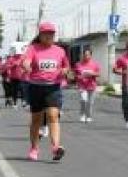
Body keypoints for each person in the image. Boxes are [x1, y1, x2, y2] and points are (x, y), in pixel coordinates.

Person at [22, 23, 69, 161]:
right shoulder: (33, 48)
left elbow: (66, 66)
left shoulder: (60, 51)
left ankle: (55, 148)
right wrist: (26, 66)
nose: (49, 36)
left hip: (53, 87)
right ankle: (34, 148)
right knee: (36, 119)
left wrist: (65, 71)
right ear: (40, 35)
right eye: (46, 33)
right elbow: (26, 61)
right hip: (36, 87)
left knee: (53, 115)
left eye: (52, 33)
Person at [74, 48, 101, 123]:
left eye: (88, 55)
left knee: (90, 102)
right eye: (85, 55)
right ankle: (82, 115)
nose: (86, 56)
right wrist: (79, 77)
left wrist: (91, 74)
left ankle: (89, 116)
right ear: (83, 55)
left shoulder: (95, 64)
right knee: (83, 100)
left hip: (92, 86)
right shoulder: (78, 64)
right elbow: (75, 75)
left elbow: (98, 74)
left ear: (90, 55)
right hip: (82, 86)